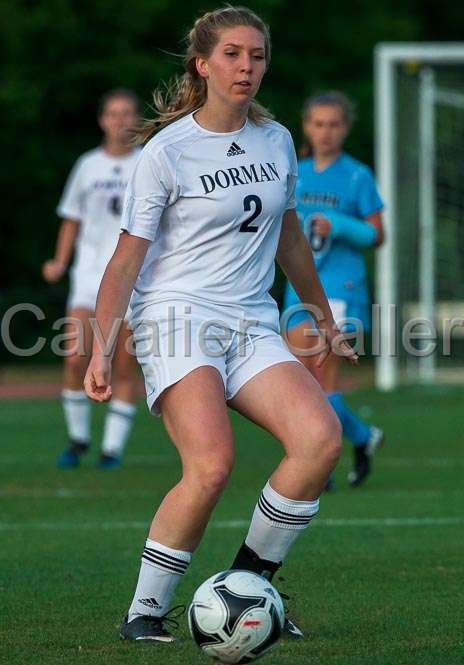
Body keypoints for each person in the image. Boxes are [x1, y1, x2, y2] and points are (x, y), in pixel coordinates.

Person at [82, 6, 353, 644]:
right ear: (202, 65)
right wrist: (100, 349)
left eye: (257, 55)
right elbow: (126, 261)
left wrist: (319, 312)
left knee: (319, 441)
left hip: (251, 319)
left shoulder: (278, 139)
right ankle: (144, 612)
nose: (247, 67)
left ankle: (247, 590)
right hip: (176, 317)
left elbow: (287, 234)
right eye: (232, 54)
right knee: (211, 464)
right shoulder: (166, 152)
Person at [281, 91, 385, 488]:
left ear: (346, 128)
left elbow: (377, 234)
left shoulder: (357, 175)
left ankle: (317, 462)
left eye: (334, 124)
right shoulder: (296, 171)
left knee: (322, 379)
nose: (326, 132)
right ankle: (362, 437)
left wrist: (339, 224)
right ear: (307, 127)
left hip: (341, 289)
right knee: (298, 380)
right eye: (318, 124)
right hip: (299, 288)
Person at [43, 90, 143, 469]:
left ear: (136, 119)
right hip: (88, 275)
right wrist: (59, 261)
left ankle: (112, 450)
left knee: (122, 362)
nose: (121, 120)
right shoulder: (88, 165)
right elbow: (71, 218)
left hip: (131, 276)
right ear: (102, 120)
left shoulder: (147, 164)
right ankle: (78, 439)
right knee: (75, 356)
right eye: (113, 114)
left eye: (128, 113)